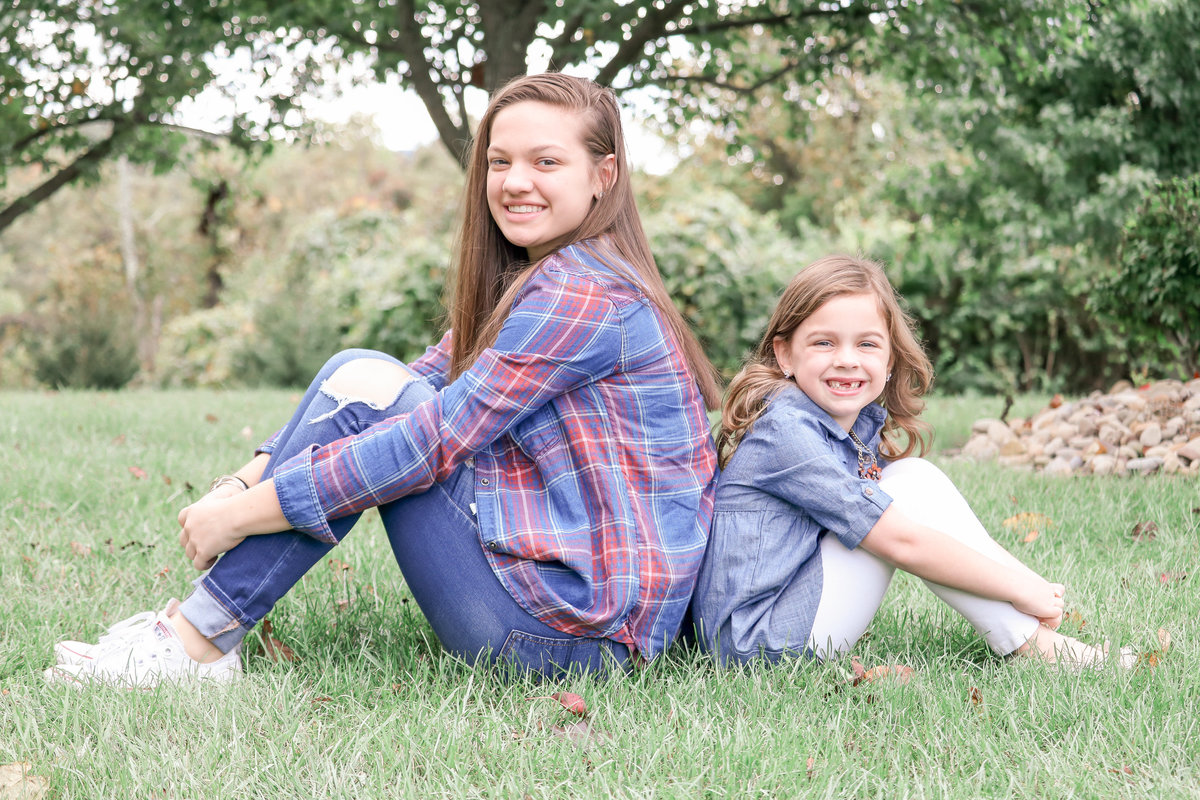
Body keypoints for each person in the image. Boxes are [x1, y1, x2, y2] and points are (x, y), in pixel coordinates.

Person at [47, 73, 721, 688]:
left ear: (603, 174)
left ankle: (194, 646)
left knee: (376, 397)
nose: (516, 181)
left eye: (547, 162)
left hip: (575, 642)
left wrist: (243, 514)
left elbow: (426, 445)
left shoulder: (583, 294)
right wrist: (243, 482)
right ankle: (198, 638)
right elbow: (418, 375)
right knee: (360, 374)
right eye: (500, 161)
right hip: (574, 623)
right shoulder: (548, 278)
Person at [689, 254, 1133, 669]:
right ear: (785, 354)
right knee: (904, 492)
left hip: (775, 617)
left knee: (911, 477)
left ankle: (1031, 632)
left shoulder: (835, 420)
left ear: (889, 358)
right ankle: (1031, 642)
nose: (847, 360)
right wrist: (1022, 588)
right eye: (824, 342)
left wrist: (1028, 585)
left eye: (866, 344)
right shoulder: (786, 431)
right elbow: (904, 543)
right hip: (754, 647)